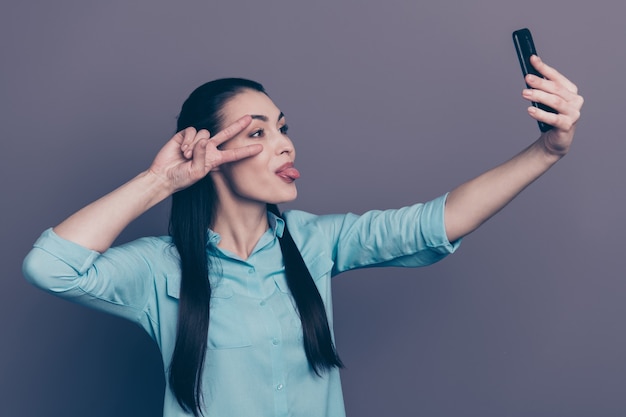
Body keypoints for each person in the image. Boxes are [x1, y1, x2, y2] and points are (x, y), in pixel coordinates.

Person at [22, 55, 583, 417]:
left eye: (283, 128)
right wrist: (160, 181)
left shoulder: (317, 243)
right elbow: (51, 267)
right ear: (208, 152)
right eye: (259, 133)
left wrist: (548, 150)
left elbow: (439, 219)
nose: (285, 145)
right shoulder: (159, 270)